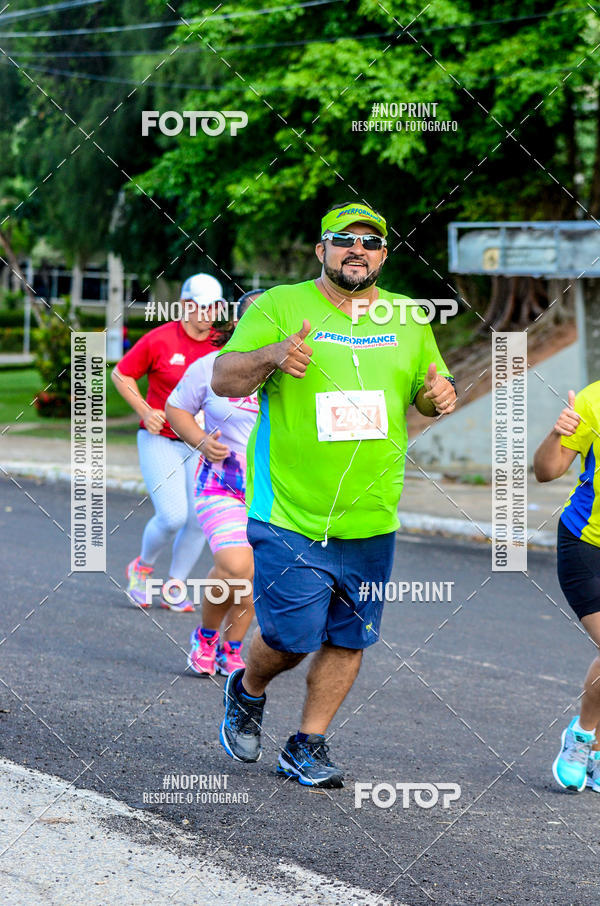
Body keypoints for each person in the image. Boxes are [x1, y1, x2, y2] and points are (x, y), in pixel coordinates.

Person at [211, 202, 457, 787]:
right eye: (343, 239)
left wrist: (438, 395)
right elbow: (223, 378)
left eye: (370, 243)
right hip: (291, 511)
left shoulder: (407, 317)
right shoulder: (279, 307)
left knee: (351, 637)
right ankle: (248, 687)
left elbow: (425, 390)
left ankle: (307, 743)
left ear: (384, 255)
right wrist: (272, 355)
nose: (357, 250)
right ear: (321, 250)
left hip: (372, 515)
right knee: (291, 638)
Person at [111, 273, 224, 612]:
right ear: (185, 306)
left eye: (214, 308)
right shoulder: (160, 339)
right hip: (159, 439)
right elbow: (121, 374)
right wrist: (145, 410)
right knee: (173, 516)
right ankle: (142, 568)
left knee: (199, 519)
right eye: (200, 307)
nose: (207, 314)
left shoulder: (223, 343)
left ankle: (175, 584)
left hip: (201, 444)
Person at [166, 290, 264, 675]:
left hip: (274, 491)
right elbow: (176, 408)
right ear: (238, 324)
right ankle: (207, 636)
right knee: (236, 561)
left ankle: (232, 647)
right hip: (221, 484)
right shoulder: (209, 367)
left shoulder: (292, 375)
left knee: (252, 573)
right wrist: (202, 441)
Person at [534, 383, 600, 793]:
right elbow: (546, 471)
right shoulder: (594, 401)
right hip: (586, 544)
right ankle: (582, 736)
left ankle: (595, 752)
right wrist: (558, 432)